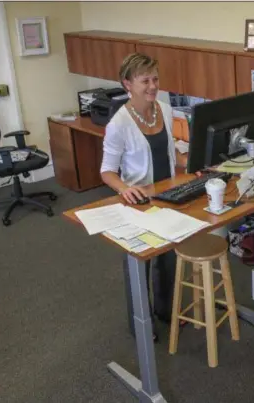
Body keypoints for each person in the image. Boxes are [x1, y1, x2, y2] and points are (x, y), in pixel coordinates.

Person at [100, 52, 187, 342]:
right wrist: (123, 188)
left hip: (167, 193)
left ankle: (165, 310)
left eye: (155, 79)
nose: (153, 86)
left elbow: (169, 149)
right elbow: (107, 171)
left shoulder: (164, 108)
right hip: (138, 201)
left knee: (167, 256)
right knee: (140, 263)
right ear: (127, 83)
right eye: (145, 80)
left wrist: (191, 162)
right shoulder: (119, 124)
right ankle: (141, 321)